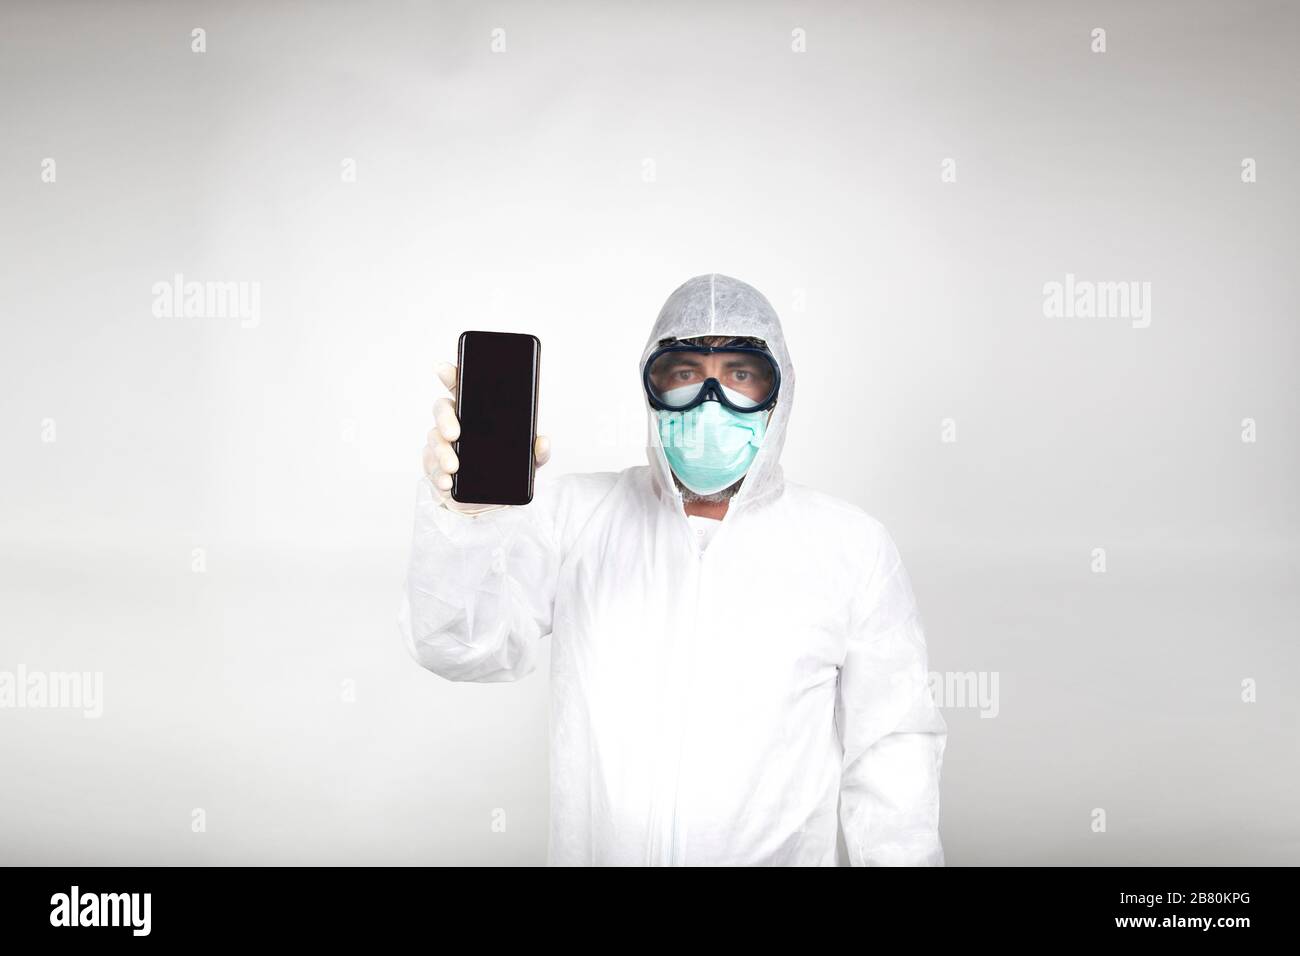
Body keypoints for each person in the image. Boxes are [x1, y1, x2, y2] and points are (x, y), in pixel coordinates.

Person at [400, 273, 948, 866]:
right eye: (685, 373)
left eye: (740, 375)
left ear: (778, 394)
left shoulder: (849, 547)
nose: (710, 402)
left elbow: (893, 754)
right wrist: (465, 523)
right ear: (652, 389)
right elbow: (459, 645)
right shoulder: (576, 517)